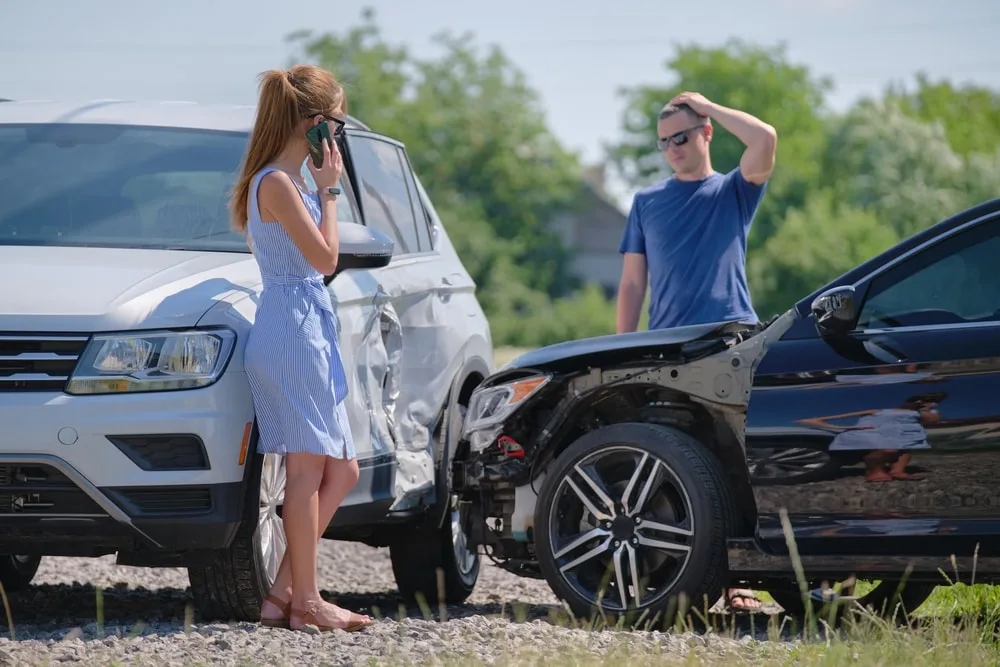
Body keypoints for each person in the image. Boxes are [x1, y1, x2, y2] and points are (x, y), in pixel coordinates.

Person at [616, 92, 778, 612]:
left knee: (737, 460)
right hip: (666, 349)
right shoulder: (646, 203)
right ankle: (674, 580)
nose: (672, 150)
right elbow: (632, 285)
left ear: (706, 133)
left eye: (681, 137)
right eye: (664, 143)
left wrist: (709, 104)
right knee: (674, 464)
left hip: (731, 344)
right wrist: (623, 348)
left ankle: (739, 583)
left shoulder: (732, 191)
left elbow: (766, 139)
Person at [230, 64, 372, 633]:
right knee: (307, 471)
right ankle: (306, 602)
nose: (339, 135)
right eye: (337, 122)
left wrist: (322, 189)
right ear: (314, 123)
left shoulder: (289, 182)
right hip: (291, 330)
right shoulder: (278, 184)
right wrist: (331, 191)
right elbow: (326, 260)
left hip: (307, 328)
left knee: (344, 471)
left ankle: (285, 592)